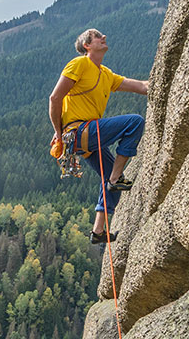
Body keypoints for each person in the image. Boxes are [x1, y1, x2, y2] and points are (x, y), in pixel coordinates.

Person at [49, 28, 149, 244]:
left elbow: (140, 86)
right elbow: (55, 97)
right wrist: (58, 132)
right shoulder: (79, 64)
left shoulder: (105, 74)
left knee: (110, 176)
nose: (104, 37)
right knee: (135, 122)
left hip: (84, 136)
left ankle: (98, 231)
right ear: (87, 45)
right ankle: (115, 179)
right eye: (98, 36)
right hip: (79, 132)